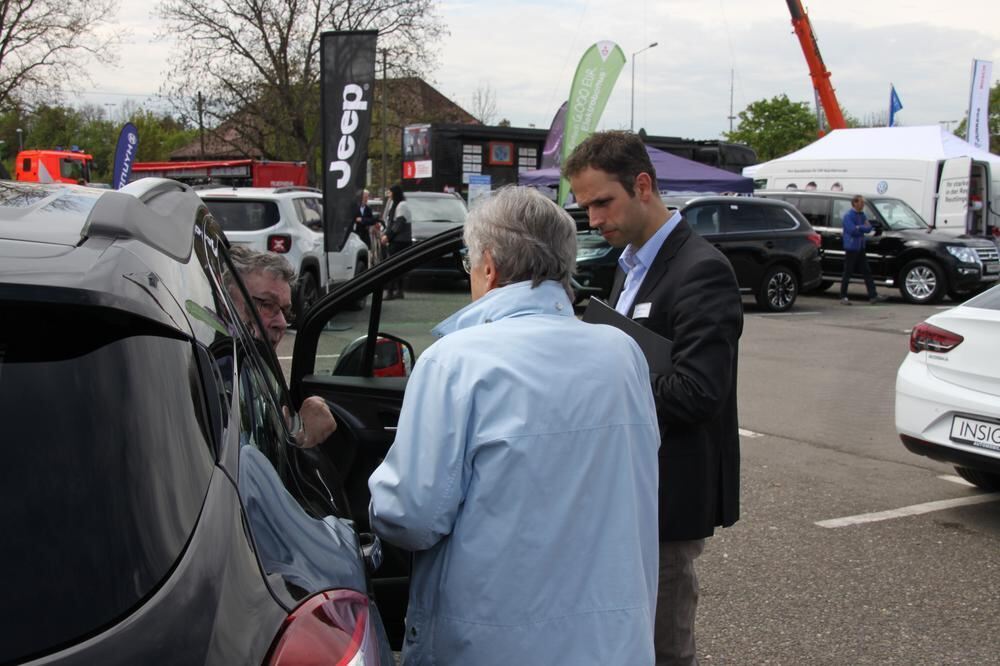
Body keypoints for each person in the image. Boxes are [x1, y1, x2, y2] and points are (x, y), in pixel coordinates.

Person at [368, 186, 661, 665]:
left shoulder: (455, 361)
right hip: (613, 642)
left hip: (491, 643)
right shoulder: (621, 353)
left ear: (489, 265)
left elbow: (411, 516)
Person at [564, 130, 742, 666]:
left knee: (663, 647)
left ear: (643, 185)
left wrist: (607, 374)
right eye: (585, 206)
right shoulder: (630, 265)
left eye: (602, 202)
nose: (593, 219)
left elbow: (697, 394)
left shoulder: (703, 269)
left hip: (667, 500)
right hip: (631, 491)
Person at [227, 245, 337, 448]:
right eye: (267, 304)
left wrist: (298, 432)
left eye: (285, 311)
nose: (281, 323)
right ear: (225, 301)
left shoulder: (258, 366)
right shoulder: (220, 374)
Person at [840, 195, 884, 305]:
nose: (863, 204)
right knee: (848, 271)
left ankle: (873, 295)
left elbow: (869, 228)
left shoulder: (862, 215)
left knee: (866, 271)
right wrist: (861, 228)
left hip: (860, 246)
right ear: (855, 203)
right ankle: (843, 295)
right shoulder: (848, 216)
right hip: (851, 247)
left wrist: (860, 227)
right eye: (861, 202)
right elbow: (852, 230)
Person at [381, 183, 412, 299]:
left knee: (393, 267)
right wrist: (386, 233)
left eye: (390, 192)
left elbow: (399, 224)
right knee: (399, 267)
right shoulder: (396, 204)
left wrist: (387, 236)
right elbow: (391, 223)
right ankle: (398, 291)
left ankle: (391, 292)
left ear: (395, 193)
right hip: (398, 240)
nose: (388, 194)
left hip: (400, 241)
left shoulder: (402, 206)